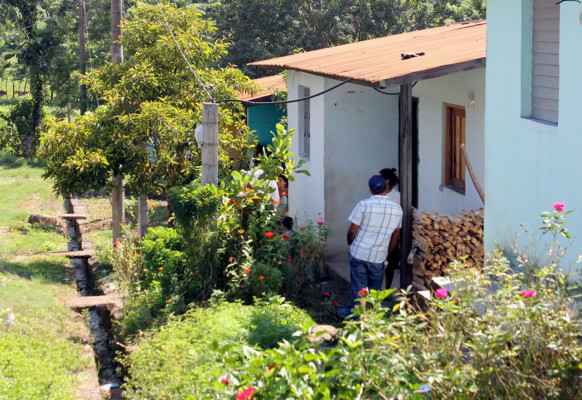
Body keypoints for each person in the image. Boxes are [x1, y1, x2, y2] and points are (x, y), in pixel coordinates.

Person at [338, 175, 403, 319]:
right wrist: (387, 254)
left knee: (359, 290)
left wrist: (351, 243)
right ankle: (371, 322)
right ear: (386, 188)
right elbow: (395, 237)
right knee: (374, 292)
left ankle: (357, 322)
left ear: (370, 191)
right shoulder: (398, 210)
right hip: (379, 257)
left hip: (359, 253)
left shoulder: (363, 205)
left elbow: (352, 230)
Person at [379, 167, 401, 288]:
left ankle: (387, 289)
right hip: (379, 231)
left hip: (390, 233)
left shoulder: (396, 196)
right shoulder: (380, 192)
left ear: (387, 181)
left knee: (389, 263)